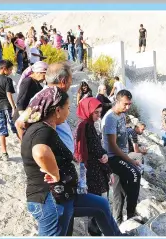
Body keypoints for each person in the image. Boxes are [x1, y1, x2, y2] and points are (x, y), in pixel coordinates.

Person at [20, 87, 122, 236]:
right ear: (57, 110)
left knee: (101, 205)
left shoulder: (41, 128)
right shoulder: (43, 130)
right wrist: (55, 174)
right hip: (50, 200)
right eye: (67, 108)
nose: (69, 112)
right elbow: (40, 152)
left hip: (64, 195)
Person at [74, 97, 114, 236]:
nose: (98, 116)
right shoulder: (86, 126)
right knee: (97, 206)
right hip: (92, 171)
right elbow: (95, 150)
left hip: (94, 169)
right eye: (96, 113)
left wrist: (104, 156)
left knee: (97, 204)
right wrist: (108, 168)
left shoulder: (87, 124)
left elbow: (98, 149)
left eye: (100, 112)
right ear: (88, 111)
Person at [101, 89, 142, 225]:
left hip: (121, 156)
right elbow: (112, 146)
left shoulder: (122, 115)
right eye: (125, 104)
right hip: (113, 158)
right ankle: (130, 214)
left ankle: (119, 222)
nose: (128, 107)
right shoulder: (110, 118)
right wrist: (131, 160)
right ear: (117, 101)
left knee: (120, 190)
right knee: (135, 174)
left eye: (129, 104)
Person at [112, 122, 147, 225]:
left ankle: (122, 219)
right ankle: (126, 217)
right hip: (118, 161)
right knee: (120, 191)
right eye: (142, 129)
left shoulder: (124, 129)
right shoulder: (131, 132)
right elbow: (136, 150)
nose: (143, 131)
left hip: (121, 160)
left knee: (121, 190)